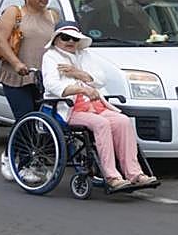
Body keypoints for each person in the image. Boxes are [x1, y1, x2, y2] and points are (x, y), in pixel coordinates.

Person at [40, 22, 157, 191]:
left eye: (74, 38)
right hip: (69, 108)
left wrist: (78, 73)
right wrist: (81, 89)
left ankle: (134, 173)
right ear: (56, 39)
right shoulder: (50, 57)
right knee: (101, 124)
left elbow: (101, 79)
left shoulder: (84, 54)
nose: (70, 41)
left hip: (95, 105)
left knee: (123, 121)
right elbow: (52, 85)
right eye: (65, 37)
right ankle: (112, 176)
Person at [0, 0, 59, 182]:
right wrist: (16, 63)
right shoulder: (14, 13)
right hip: (17, 76)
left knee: (40, 121)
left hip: (42, 77)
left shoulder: (53, 15)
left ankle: (13, 155)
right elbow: (0, 40)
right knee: (25, 117)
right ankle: (23, 164)